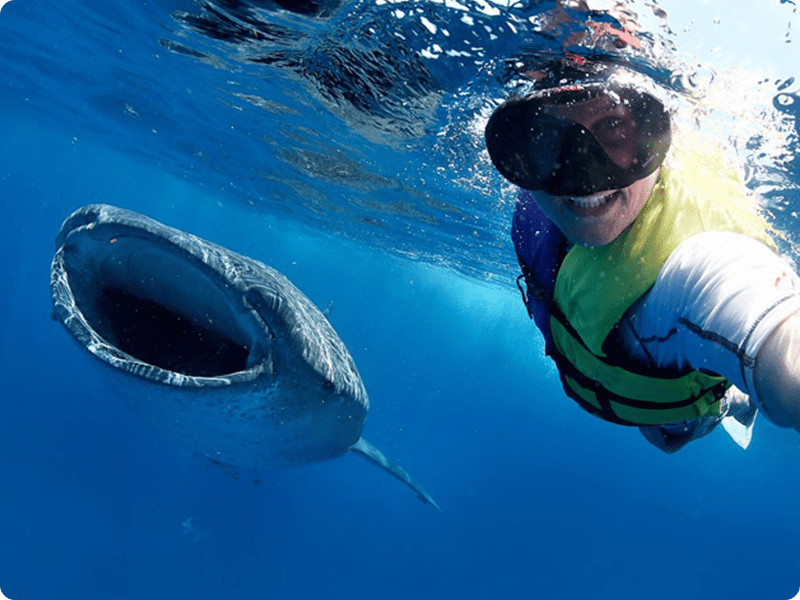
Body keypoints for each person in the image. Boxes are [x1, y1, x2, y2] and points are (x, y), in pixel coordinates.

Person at [485, 55, 800, 452]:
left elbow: (779, 338)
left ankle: (733, 402)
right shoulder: (538, 187)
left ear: (654, 141)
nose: (582, 177)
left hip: (665, 403)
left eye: (613, 126)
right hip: (611, 373)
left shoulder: (701, 261)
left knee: (670, 435)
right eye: (549, 136)